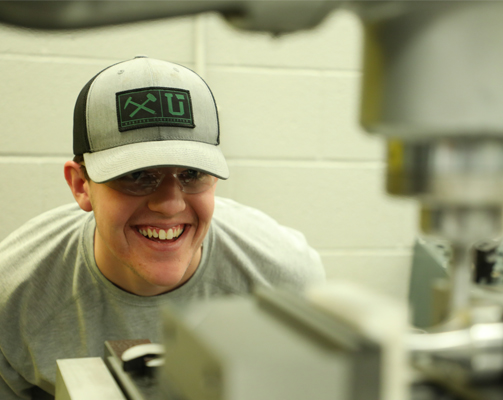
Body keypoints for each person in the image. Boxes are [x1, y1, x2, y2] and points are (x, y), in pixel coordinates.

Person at [0, 56, 325, 399]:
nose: (170, 204)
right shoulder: (16, 298)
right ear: (82, 185)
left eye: (192, 174)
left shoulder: (282, 281)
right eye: (137, 176)